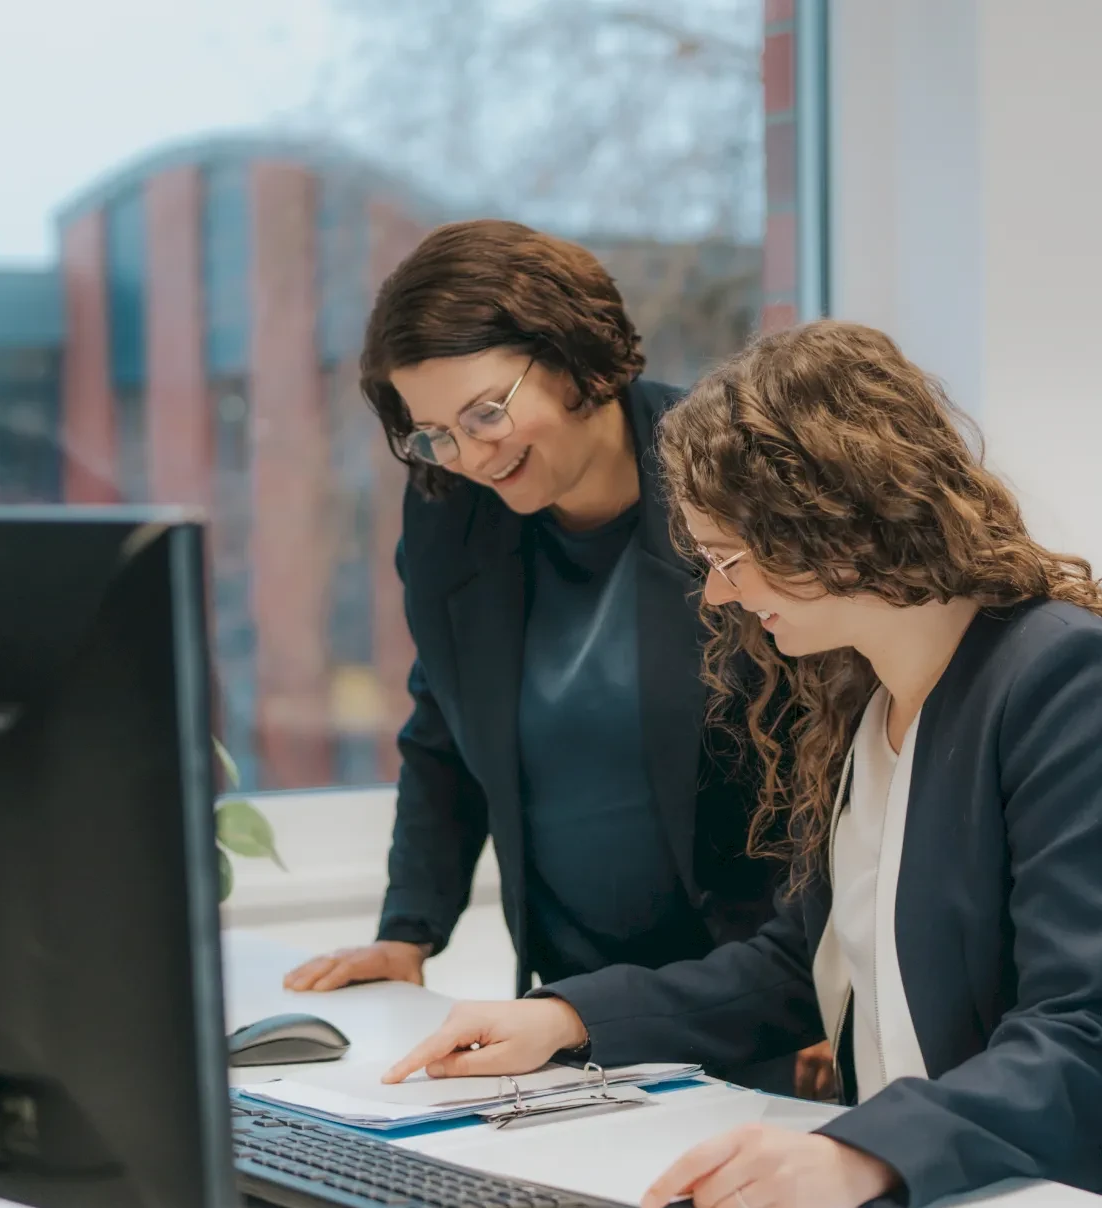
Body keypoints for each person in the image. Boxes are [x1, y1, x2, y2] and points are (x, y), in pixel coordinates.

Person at [381, 320, 1102, 1208]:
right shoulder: (862, 690)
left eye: (731, 561)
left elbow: (1083, 1034)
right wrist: (567, 1017)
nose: (719, 596)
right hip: (954, 1198)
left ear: (833, 520)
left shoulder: (1064, 681)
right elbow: (801, 963)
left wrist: (857, 1153)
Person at [282, 219, 826, 1095]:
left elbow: (833, 755)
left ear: (574, 357)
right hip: (569, 1013)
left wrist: (838, 991)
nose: (469, 454)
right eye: (434, 434)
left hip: (758, 998)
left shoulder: (732, 485)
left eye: (486, 411)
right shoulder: (450, 516)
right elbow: (445, 727)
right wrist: (409, 930)